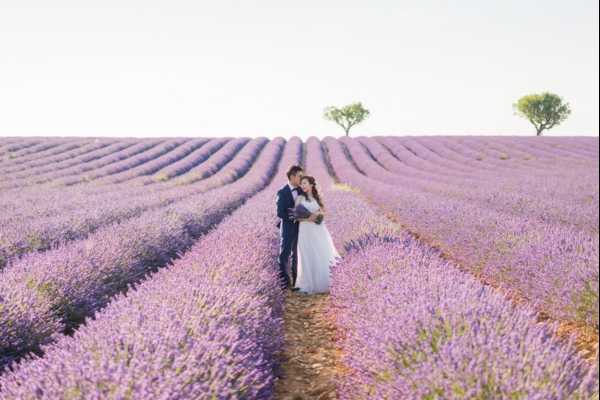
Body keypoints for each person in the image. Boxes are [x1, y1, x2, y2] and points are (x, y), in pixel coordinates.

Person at [293, 175, 341, 294]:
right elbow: (296, 216)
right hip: (305, 230)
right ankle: (308, 283)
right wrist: (310, 218)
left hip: (318, 230)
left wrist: (318, 217)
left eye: (305, 183)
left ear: (311, 185)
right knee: (306, 254)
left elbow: (323, 213)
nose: (303, 185)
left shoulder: (317, 198)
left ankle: (322, 282)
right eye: (302, 184)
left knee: (320, 253)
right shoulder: (299, 198)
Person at [276, 165, 304, 290]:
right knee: (284, 255)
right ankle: (285, 283)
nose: (301, 178)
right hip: (287, 228)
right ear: (292, 177)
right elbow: (280, 212)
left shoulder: (301, 191)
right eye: (299, 176)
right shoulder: (282, 192)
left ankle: (296, 282)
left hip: (300, 228)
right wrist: (293, 216)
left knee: (296, 255)